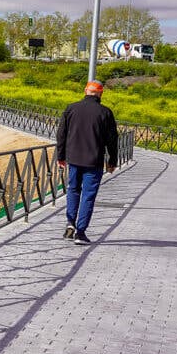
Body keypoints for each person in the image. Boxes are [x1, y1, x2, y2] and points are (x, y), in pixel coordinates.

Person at [55, 80, 118, 244]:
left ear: (85, 91)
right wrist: (112, 160)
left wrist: (60, 156)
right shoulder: (105, 112)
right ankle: (80, 233)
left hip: (73, 159)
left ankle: (70, 224)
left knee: (73, 190)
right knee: (88, 196)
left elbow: (61, 134)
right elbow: (112, 139)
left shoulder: (71, 108)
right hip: (94, 160)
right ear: (101, 93)